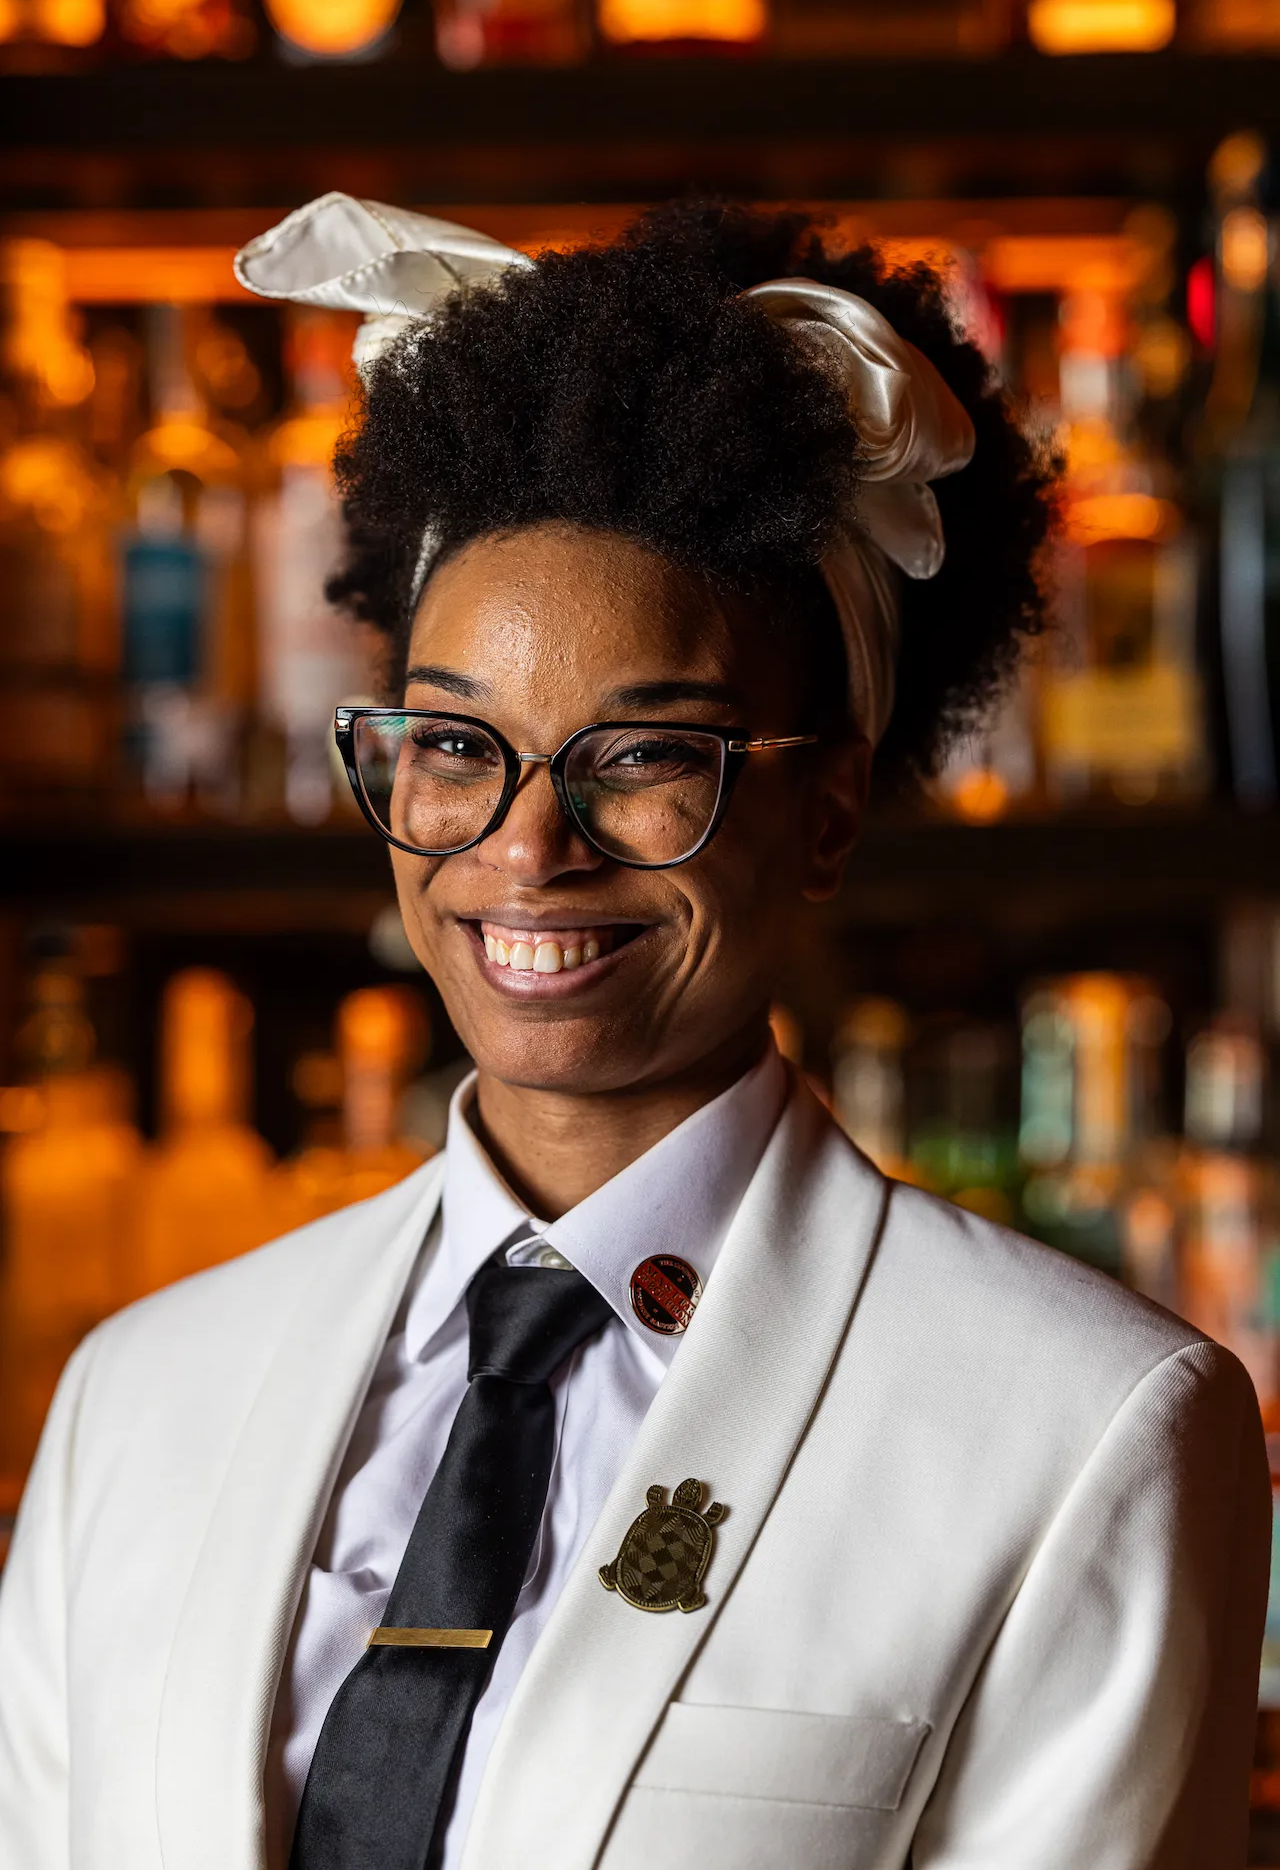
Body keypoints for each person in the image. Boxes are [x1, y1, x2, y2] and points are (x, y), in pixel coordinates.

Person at [0, 194, 1268, 1870]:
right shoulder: (138, 1403)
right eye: (457, 749)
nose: (526, 850)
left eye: (644, 759)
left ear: (825, 812)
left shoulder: (1089, 1426)